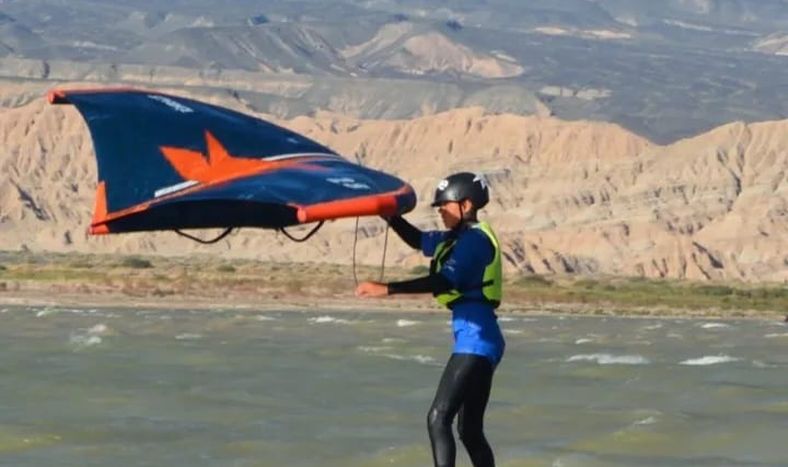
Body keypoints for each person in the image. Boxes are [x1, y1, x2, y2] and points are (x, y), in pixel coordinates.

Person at [356, 172, 505, 467]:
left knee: (438, 417)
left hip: (477, 340)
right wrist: (388, 215)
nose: (440, 211)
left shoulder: (475, 241)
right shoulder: (456, 238)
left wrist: (388, 289)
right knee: (469, 430)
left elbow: (445, 280)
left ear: (466, 205)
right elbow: (417, 239)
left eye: (445, 205)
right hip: (481, 338)